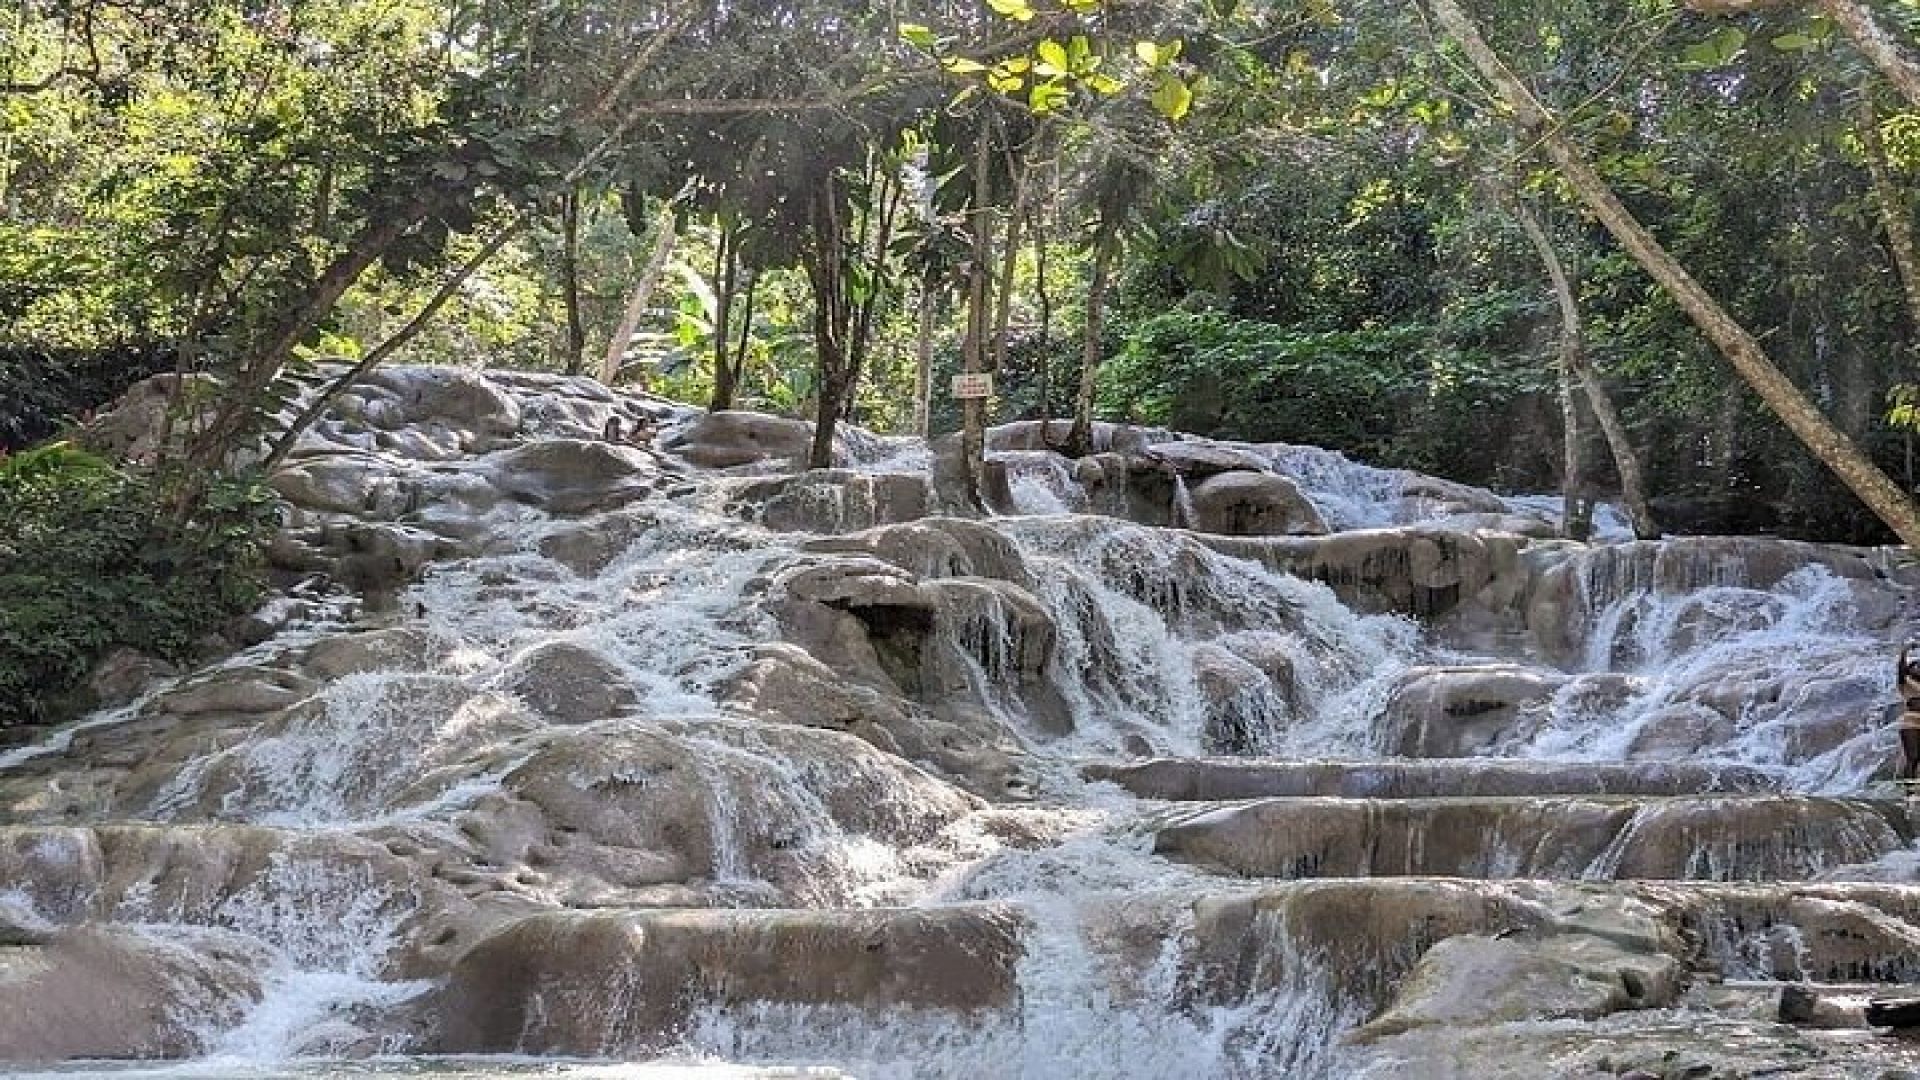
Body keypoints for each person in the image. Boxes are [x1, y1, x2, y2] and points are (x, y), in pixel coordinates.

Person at [1898, 645, 1920, 781]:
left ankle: (1914, 785)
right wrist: (1904, 653)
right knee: (1912, 757)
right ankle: (1909, 789)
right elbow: (1901, 670)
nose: (1918, 668)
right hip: (1911, 723)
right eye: (1915, 666)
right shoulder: (1905, 683)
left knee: (1917, 759)